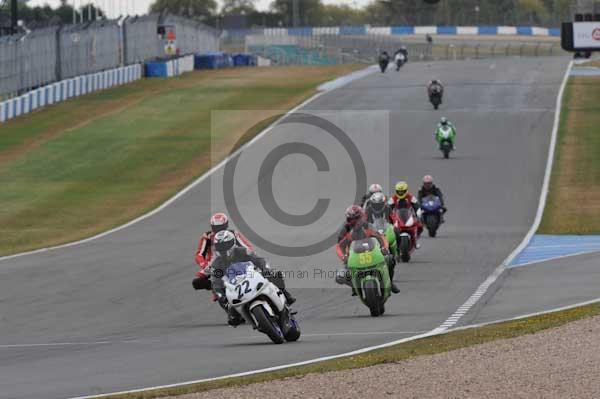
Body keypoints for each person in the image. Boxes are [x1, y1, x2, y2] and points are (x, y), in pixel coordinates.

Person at [209, 230, 296, 326]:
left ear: (232, 243)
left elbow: (260, 260)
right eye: (220, 246)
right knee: (229, 312)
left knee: (275, 275)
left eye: (226, 245)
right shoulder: (216, 264)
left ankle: (286, 295)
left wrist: (265, 269)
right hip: (235, 288)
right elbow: (216, 283)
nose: (223, 249)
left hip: (251, 276)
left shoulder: (242, 251)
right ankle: (235, 315)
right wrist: (223, 298)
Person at [335, 205, 400, 294]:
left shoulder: (368, 226)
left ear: (362, 216)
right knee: (340, 277)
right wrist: (344, 257)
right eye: (352, 219)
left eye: (357, 218)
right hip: (353, 256)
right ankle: (355, 286)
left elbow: (381, 237)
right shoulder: (344, 230)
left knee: (390, 259)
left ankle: (390, 282)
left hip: (371, 251)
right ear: (348, 219)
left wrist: (384, 248)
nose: (355, 221)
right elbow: (339, 246)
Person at [192, 213, 254, 293]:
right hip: (214, 265)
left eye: (221, 227)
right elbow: (199, 255)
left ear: (226, 225)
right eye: (216, 228)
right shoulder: (207, 237)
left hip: (235, 261)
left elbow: (248, 248)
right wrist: (204, 265)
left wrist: (247, 256)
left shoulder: (233, 234)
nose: (219, 230)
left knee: (262, 269)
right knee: (197, 282)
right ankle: (217, 289)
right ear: (212, 227)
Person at [388, 181, 423, 248]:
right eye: (399, 191)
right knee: (390, 229)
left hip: (409, 216)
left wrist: (418, 213)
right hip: (397, 217)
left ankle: (415, 240)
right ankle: (392, 244)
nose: (400, 193)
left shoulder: (410, 197)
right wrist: (388, 215)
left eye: (402, 191)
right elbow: (388, 207)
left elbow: (417, 206)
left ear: (406, 191)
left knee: (420, 226)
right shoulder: (393, 198)